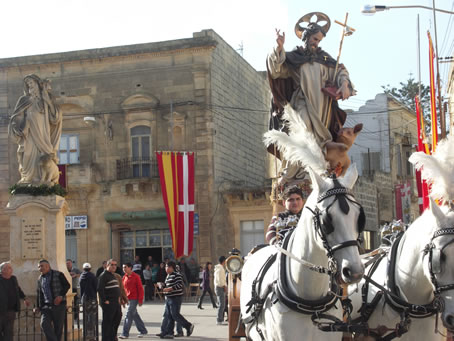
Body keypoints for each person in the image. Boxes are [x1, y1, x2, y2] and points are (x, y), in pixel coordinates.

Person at [267, 13, 355, 185]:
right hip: (302, 101)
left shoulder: (326, 59)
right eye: (314, 39)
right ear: (306, 37)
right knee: (302, 131)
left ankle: (316, 173)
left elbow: (340, 72)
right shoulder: (294, 58)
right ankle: (292, 172)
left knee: (319, 140)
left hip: (322, 107)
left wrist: (344, 84)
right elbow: (276, 70)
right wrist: (279, 47)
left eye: (319, 40)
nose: (316, 43)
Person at [8, 74, 62, 185]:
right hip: (28, 133)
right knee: (27, 156)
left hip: (43, 134)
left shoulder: (46, 98)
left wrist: (48, 101)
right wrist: (18, 127)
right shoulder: (24, 100)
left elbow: (56, 118)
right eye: (28, 84)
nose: (30, 86)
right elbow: (16, 117)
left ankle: (43, 180)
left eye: (31, 83)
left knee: (44, 158)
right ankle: (28, 179)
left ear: (37, 84)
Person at [156, 261, 194, 339]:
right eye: (166, 267)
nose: (166, 268)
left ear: (172, 267)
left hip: (175, 298)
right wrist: (162, 285)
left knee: (175, 315)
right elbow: (167, 285)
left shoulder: (177, 275)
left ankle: (188, 325)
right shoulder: (168, 276)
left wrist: (169, 289)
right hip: (168, 298)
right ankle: (170, 333)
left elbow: (179, 285)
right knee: (169, 316)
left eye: (167, 267)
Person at [34, 259, 70, 341]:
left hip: (59, 306)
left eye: (41, 266)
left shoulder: (58, 274)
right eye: (38, 267)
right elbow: (39, 293)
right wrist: (38, 306)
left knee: (58, 329)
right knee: (44, 324)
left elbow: (67, 285)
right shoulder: (40, 278)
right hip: (46, 307)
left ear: (48, 266)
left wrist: (60, 296)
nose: (40, 268)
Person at [0, 262, 30, 341]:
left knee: (9, 333)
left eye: (11, 268)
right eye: (9, 268)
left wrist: (24, 298)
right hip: (0, 311)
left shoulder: (13, 279)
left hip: (10, 312)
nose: (11, 269)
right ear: (3, 270)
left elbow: (18, 290)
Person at [119, 263, 148, 339]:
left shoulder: (136, 277)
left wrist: (140, 299)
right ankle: (143, 330)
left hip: (134, 299)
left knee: (129, 315)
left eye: (125, 267)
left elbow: (140, 289)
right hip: (127, 298)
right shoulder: (124, 277)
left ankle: (125, 333)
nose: (123, 269)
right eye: (123, 267)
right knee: (134, 314)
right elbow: (123, 289)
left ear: (130, 268)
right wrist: (122, 299)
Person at [98, 259, 122, 341]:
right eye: (112, 265)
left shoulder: (113, 275)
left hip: (116, 302)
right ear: (107, 265)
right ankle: (106, 338)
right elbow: (100, 289)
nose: (114, 266)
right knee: (107, 322)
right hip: (109, 303)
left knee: (117, 318)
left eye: (115, 265)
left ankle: (112, 336)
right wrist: (105, 300)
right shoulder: (103, 275)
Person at [79, 263, 97, 340]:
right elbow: (96, 286)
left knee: (85, 316)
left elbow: (80, 287)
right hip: (92, 298)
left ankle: (85, 333)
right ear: (90, 268)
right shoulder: (92, 276)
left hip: (84, 298)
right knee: (92, 316)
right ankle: (91, 333)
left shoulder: (81, 276)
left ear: (83, 268)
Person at [214, 256, 227, 325]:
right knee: (222, 304)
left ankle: (220, 319)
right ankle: (219, 320)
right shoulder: (220, 269)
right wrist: (224, 286)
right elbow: (220, 279)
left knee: (221, 304)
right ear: (223, 261)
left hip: (218, 287)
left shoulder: (218, 268)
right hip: (220, 287)